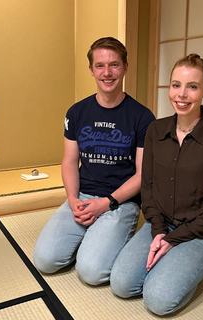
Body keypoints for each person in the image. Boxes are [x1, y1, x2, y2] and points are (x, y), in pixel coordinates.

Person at [110, 53, 203, 315]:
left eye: (192, 86)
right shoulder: (156, 131)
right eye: (176, 85)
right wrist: (159, 231)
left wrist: (171, 241)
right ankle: (166, 262)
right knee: (121, 284)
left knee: (158, 301)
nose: (182, 94)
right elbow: (147, 187)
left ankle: (178, 268)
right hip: (162, 224)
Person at [33, 37, 155, 285]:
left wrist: (107, 202)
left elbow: (143, 175)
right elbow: (69, 161)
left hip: (120, 202)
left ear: (125, 67)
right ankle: (92, 238)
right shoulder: (77, 112)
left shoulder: (142, 116)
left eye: (114, 65)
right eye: (100, 66)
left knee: (91, 273)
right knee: (45, 261)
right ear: (91, 70)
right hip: (83, 197)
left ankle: (101, 241)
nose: (107, 73)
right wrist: (72, 199)